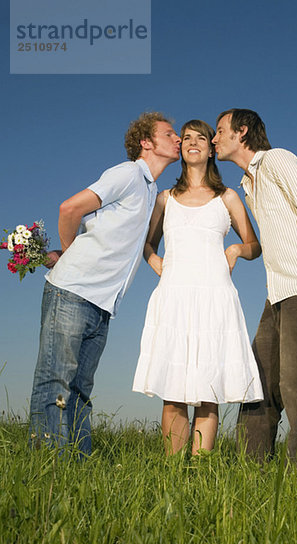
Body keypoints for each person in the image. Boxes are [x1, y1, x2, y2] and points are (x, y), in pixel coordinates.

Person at [29, 112, 181, 455]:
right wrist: (69, 253)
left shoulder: (152, 190)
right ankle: (45, 466)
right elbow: (70, 208)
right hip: (73, 292)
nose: (177, 139)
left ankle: (79, 464)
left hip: (102, 305)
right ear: (146, 142)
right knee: (55, 380)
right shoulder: (128, 173)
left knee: (80, 389)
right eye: (169, 133)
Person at [213, 108, 297, 467]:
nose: (214, 139)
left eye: (220, 130)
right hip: (278, 294)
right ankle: (249, 469)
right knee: (258, 382)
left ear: (242, 132)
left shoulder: (276, 160)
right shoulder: (247, 183)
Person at [132, 119, 263, 455]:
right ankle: (173, 476)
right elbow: (145, 244)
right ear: (181, 148)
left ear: (210, 148)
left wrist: (235, 249)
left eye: (201, 138)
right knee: (173, 392)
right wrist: (155, 261)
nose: (192, 142)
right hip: (174, 297)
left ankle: (200, 475)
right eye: (186, 137)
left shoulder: (228, 197)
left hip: (215, 298)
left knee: (208, 390)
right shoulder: (165, 198)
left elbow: (254, 245)